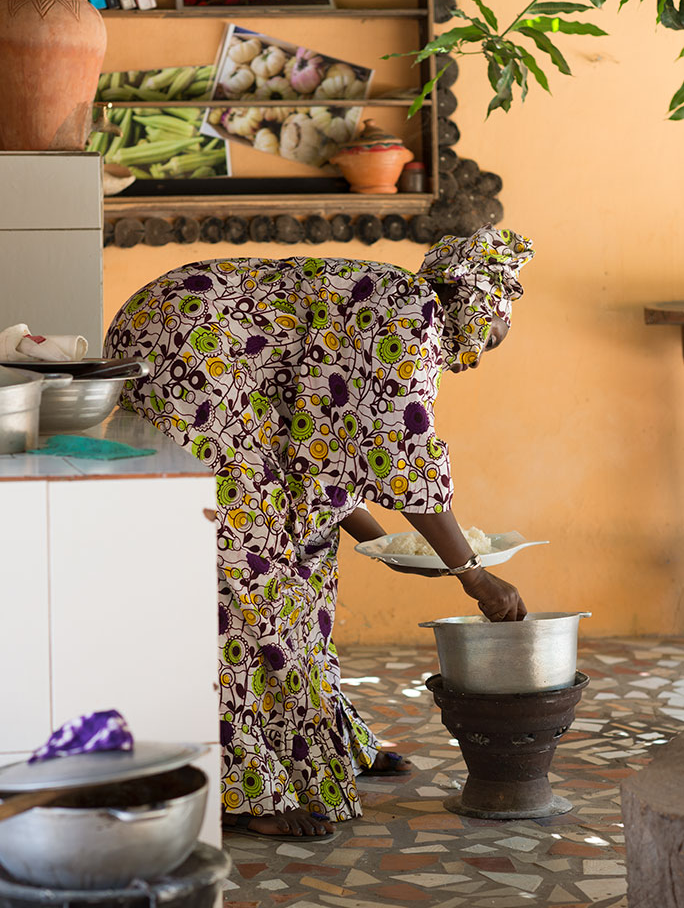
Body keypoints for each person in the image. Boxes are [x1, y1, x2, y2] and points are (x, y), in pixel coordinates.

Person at [104, 224, 534, 840]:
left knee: (304, 556)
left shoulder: (396, 305)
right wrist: (474, 575)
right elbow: (403, 454)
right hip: (190, 349)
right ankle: (242, 783)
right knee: (247, 571)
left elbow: (327, 449)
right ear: (477, 301)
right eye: (500, 322)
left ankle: (318, 738)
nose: (496, 340)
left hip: (211, 354)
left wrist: (374, 537)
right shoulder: (412, 319)